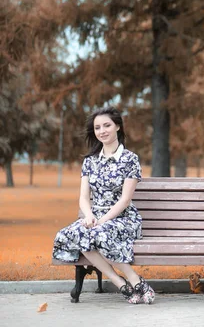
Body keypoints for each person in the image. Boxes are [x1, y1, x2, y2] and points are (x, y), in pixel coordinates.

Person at [52, 106, 155, 304]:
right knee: (72, 234)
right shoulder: (90, 161)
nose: (102, 131)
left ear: (117, 126)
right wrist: (89, 216)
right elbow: (83, 197)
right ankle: (119, 283)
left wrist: (102, 221)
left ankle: (136, 281)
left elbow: (125, 200)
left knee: (98, 234)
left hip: (123, 219)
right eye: (98, 127)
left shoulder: (130, 159)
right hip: (94, 217)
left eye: (107, 125)